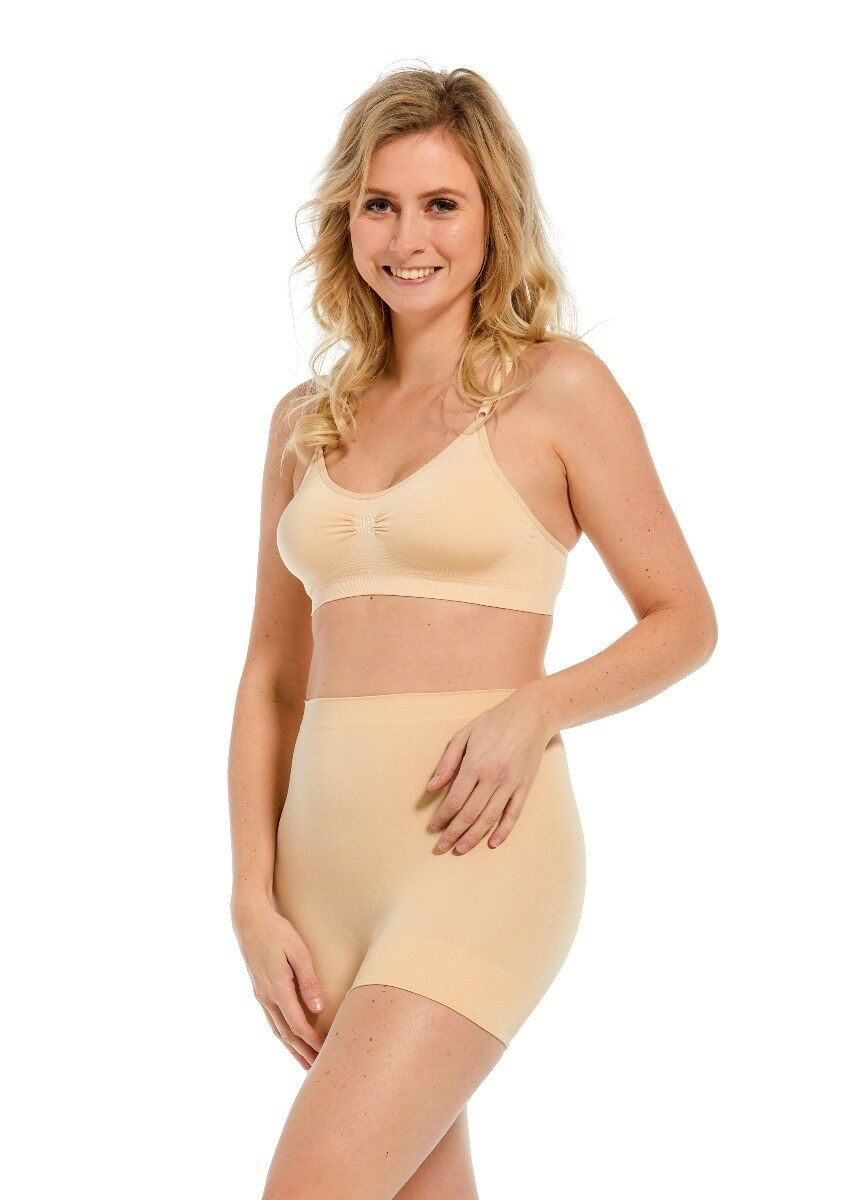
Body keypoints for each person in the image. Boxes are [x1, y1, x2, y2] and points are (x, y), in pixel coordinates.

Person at [227, 65, 717, 1200]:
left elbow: (684, 619)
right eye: (379, 205)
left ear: (493, 217)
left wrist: (537, 705)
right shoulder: (306, 421)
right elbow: (270, 677)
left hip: (476, 853)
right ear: (346, 219)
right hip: (318, 871)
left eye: (440, 204)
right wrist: (250, 893)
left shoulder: (556, 389)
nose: (408, 238)